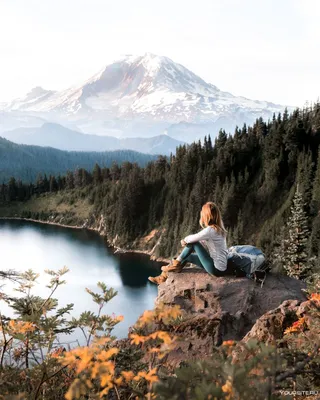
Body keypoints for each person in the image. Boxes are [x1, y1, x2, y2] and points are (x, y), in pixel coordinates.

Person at [148, 202, 228, 285]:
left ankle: (176, 264)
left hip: (216, 269)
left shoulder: (210, 230)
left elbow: (193, 239)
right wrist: (188, 242)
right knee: (186, 256)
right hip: (219, 267)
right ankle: (163, 277)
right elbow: (203, 242)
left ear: (206, 216)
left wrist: (185, 240)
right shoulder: (218, 229)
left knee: (194, 243)